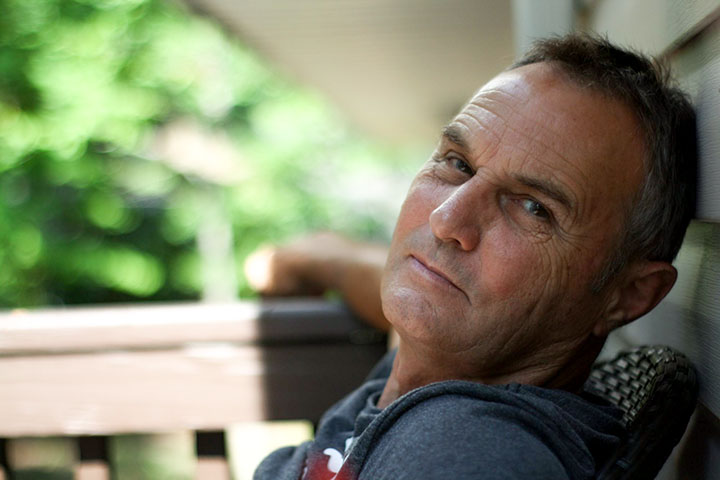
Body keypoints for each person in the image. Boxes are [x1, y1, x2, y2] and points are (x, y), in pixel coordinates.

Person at [245, 33, 697, 480]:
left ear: (629, 295)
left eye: (533, 207)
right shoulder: (437, 374)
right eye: (458, 164)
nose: (445, 220)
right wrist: (319, 258)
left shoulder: (467, 449)